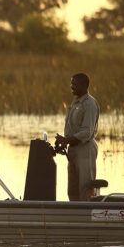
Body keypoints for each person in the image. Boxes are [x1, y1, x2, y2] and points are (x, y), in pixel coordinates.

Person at [55, 73, 99, 201]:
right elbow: (73, 128)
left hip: (85, 149)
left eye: (74, 84)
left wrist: (67, 140)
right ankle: (74, 216)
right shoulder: (75, 102)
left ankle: (88, 217)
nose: (71, 86)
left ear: (84, 86)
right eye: (71, 83)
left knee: (85, 188)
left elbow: (87, 132)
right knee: (72, 189)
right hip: (73, 150)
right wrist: (64, 142)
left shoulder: (89, 104)